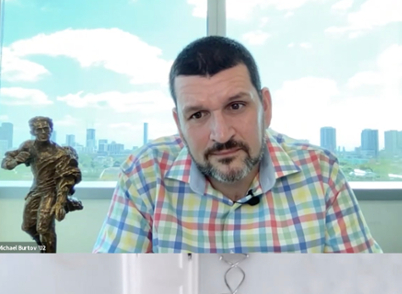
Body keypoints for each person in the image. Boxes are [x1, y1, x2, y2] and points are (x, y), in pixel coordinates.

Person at [93, 36, 380, 253]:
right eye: (197, 115)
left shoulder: (321, 174)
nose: (220, 134)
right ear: (179, 124)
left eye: (236, 105)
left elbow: (369, 286)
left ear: (265, 107)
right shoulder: (144, 174)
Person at [1, 116, 84, 253]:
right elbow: (6, 163)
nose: (43, 132)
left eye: (46, 128)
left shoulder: (60, 153)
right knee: (27, 226)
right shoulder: (29, 146)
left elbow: (70, 177)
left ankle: (50, 258)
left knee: (44, 228)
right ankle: (44, 248)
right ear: (32, 132)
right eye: (38, 129)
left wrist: (60, 201)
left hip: (51, 192)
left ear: (51, 129)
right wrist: (15, 161)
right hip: (35, 191)